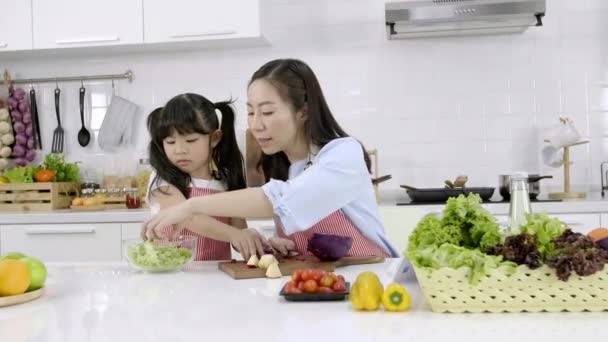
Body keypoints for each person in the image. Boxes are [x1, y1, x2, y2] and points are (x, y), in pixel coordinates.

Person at [144, 59, 398, 258]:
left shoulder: (343, 153)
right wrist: (278, 245)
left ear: (303, 111)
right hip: (318, 290)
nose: (255, 125)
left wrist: (190, 206)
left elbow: (282, 200)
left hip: (368, 283)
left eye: (266, 112)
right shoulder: (283, 168)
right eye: (251, 112)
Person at [142, 95, 268, 261]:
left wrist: (250, 237)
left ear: (214, 138)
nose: (180, 150)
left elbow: (239, 236)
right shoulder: (162, 180)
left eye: (190, 140)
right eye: (170, 142)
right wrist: (234, 235)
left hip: (216, 277)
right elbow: (188, 217)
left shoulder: (225, 181)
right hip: (173, 277)